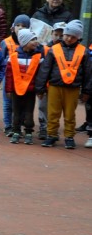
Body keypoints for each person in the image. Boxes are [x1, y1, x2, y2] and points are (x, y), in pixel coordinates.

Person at [35, 20, 92, 149]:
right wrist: (40, 88)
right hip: (54, 86)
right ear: (63, 34)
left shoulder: (83, 51)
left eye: (73, 37)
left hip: (73, 88)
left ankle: (69, 136)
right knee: (53, 113)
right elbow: (45, 70)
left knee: (70, 114)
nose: (69, 39)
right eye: (67, 35)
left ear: (78, 37)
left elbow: (88, 73)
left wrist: (86, 91)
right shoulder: (53, 50)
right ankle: (51, 135)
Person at [6, 29, 45, 145]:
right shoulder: (13, 57)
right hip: (16, 89)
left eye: (35, 39)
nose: (35, 42)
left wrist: (40, 90)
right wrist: (8, 89)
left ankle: (28, 131)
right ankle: (16, 131)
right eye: (32, 40)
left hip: (30, 90)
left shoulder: (38, 57)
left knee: (29, 111)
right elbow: (9, 75)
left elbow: (41, 75)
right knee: (16, 111)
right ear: (24, 42)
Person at [0, 15, 29, 136]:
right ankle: (8, 126)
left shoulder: (29, 43)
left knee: (22, 103)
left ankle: (18, 125)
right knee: (8, 102)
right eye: (18, 25)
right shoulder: (6, 42)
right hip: (9, 77)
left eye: (24, 26)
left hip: (24, 78)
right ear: (13, 27)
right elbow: (0, 60)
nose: (20, 28)